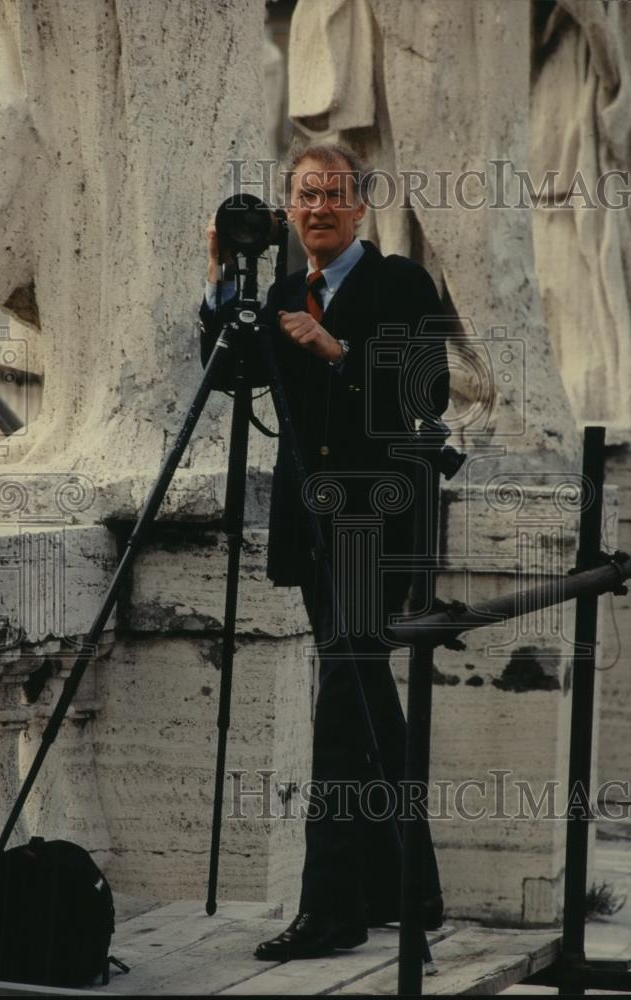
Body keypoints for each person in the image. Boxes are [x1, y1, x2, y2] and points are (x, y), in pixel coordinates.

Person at [200, 143, 450, 961]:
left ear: (359, 208)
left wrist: (335, 352)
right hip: (312, 530)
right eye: (303, 197)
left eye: (332, 196)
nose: (317, 211)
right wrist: (220, 289)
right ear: (288, 209)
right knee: (365, 696)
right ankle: (405, 887)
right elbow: (231, 378)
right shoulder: (276, 291)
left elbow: (426, 395)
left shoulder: (401, 283)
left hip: (375, 527)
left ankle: (331, 909)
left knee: (342, 710)